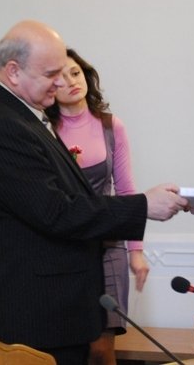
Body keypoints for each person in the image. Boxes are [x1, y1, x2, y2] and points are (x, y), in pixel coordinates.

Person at [0, 20, 187, 364]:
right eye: (51, 73)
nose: (61, 82)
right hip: (34, 316)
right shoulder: (1, 127)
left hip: (53, 314)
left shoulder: (23, 116)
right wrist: (143, 206)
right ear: (13, 71)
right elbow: (58, 212)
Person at [44, 48, 148, 365]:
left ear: (86, 75)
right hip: (68, 247)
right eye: (60, 78)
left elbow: (126, 191)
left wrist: (136, 251)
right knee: (72, 347)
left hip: (109, 247)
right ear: (50, 89)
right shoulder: (46, 132)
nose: (71, 82)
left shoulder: (111, 126)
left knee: (102, 349)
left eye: (75, 73)